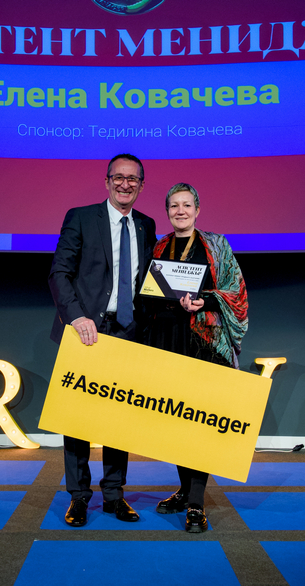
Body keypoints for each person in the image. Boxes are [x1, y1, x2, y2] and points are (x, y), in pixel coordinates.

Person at [48, 153, 158, 527]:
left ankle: (114, 495)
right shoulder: (80, 217)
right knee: (78, 419)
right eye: (118, 177)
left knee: (119, 420)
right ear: (107, 181)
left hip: (129, 332)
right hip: (86, 331)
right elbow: (59, 273)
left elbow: (149, 281)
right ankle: (79, 496)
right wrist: (76, 317)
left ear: (141, 185)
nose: (125, 184)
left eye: (133, 179)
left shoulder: (146, 225)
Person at [144, 182, 249, 533]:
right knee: (176, 420)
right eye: (174, 206)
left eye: (186, 205)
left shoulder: (216, 245)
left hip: (204, 341)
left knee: (200, 421)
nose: (180, 211)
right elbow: (145, 292)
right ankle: (185, 489)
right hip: (168, 339)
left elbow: (236, 291)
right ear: (167, 211)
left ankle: (196, 503)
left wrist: (207, 299)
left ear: (197, 209)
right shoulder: (158, 246)